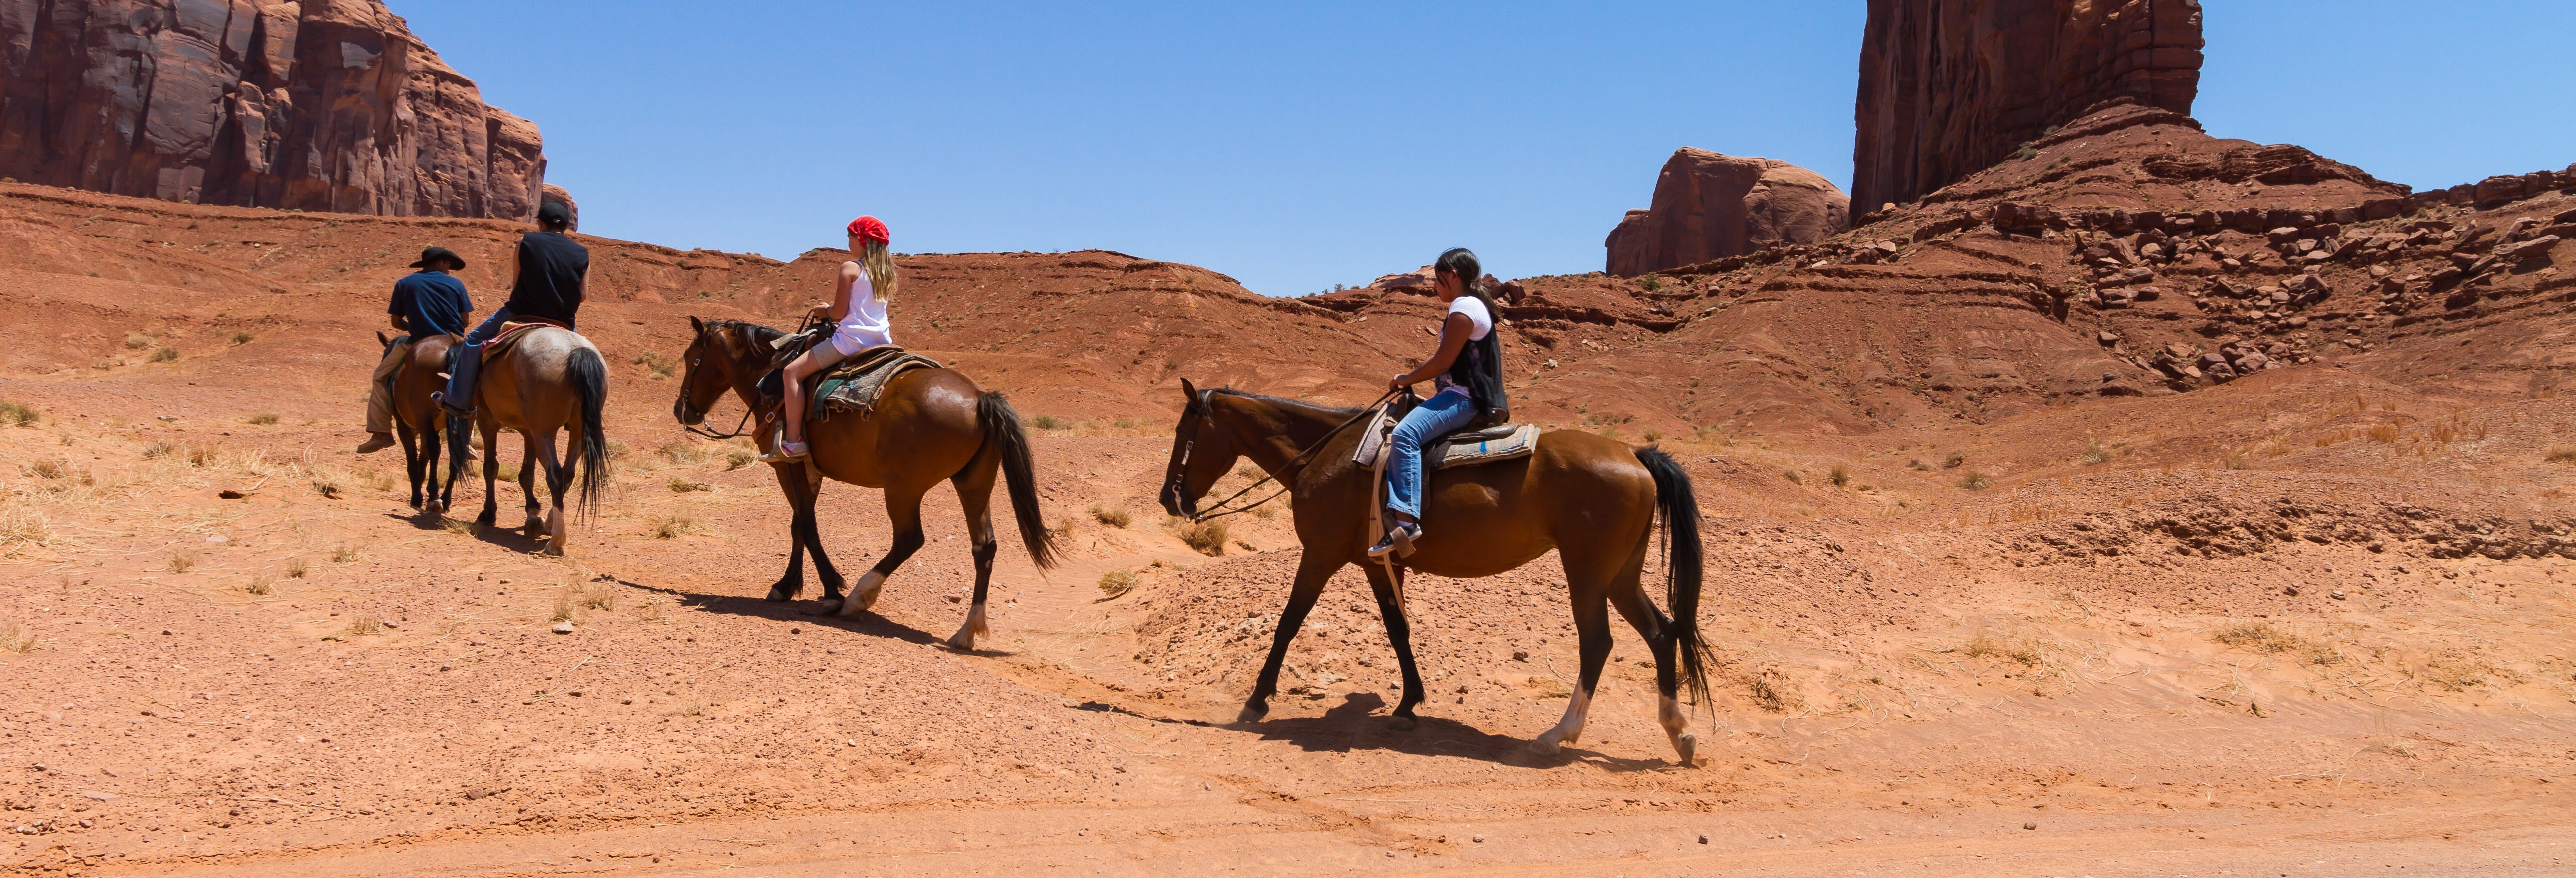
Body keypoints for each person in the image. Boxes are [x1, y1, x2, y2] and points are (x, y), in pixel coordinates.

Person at [1372, 247, 1508, 558]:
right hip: (1458, 395)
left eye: (1437, 279)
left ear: (1453, 277)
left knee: (1405, 435)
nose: (1434, 286)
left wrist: (1406, 378)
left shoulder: (1464, 307)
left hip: (1464, 399)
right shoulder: (1473, 304)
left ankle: (1405, 522)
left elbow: (1443, 361)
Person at [762, 216, 898, 463]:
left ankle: (793, 441)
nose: (848, 243)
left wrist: (824, 310)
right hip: (882, 342)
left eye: (849, 237)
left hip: (850, 341)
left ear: (862, 240)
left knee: (791, 373)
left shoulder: (850, 269)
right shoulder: (887, 273)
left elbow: (839, 313)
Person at [440, 201, 588, 415]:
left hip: (522, 312)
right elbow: (583, 296)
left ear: (540, 223)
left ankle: (457, 401)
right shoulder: (583, 253)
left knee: (473, 340)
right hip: (563, 319)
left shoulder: (526, 241)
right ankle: (578, 412)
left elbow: (517, 281)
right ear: (567, 227)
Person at [358, 246, 473, 453]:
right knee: (476, 377)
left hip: (417, 340)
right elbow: (466, 320)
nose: (449, 268)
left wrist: (413, 326)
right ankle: (466, 439)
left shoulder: (404, 283)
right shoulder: (456, 284)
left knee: (381, 376)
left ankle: (381, 432)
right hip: (454, 341)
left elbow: (396, 322)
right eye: (448, 264)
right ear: (440, 262)